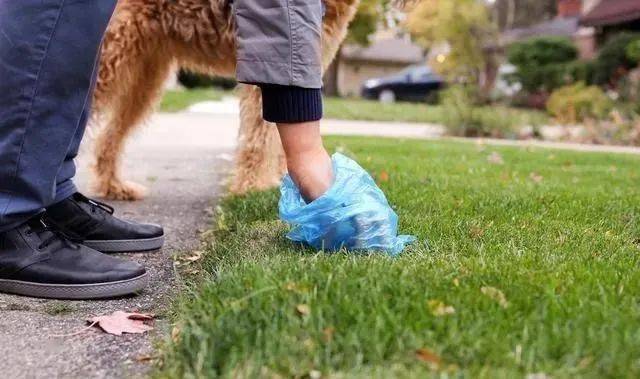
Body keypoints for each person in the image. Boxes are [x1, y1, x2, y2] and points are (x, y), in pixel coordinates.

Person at [0, 0, 332, 299]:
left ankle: (52, 189)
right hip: (154, 9)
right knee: (67, 32)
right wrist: (304, 152)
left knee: (80, 38)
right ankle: (10, 208)